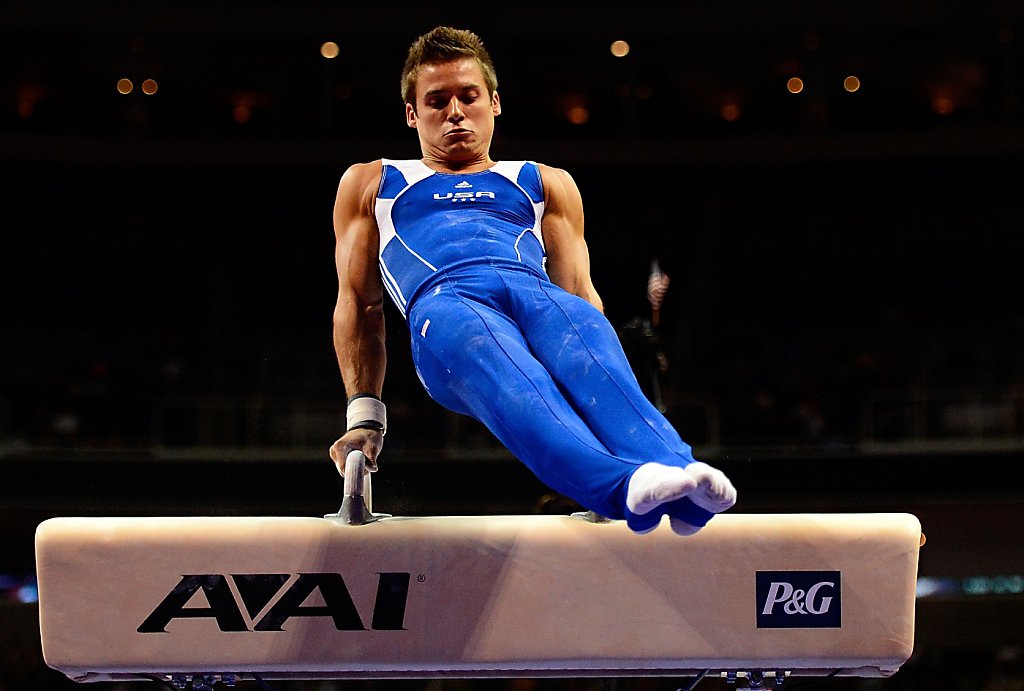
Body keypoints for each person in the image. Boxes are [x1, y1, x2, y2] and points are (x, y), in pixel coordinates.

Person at [328, 26, 736, 536]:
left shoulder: (544, 180)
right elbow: (360, 305)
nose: (455, 111)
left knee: (580, 324)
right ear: (412, 114)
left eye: (468, 96)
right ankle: (617, 486)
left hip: (531, 292)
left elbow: (581, 300)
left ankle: (675, 472)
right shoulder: (374, 181)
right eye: (436, 100)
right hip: (447, 307)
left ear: (494, 103)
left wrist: (610, 402)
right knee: (511, 367)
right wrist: (364, 415)